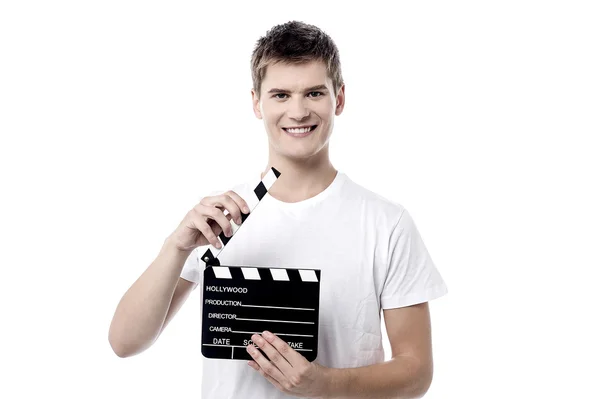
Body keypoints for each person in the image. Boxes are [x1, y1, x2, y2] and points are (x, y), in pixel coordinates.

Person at [109, 20, 448, 399]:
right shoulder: (221, 217)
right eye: (281, 95)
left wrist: (325, 385)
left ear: (339, 99)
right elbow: (125, 342)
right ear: (257, 102)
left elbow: (417, 371)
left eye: (315, 93)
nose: (298, 111)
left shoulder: (386, 223)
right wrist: (175, 247)